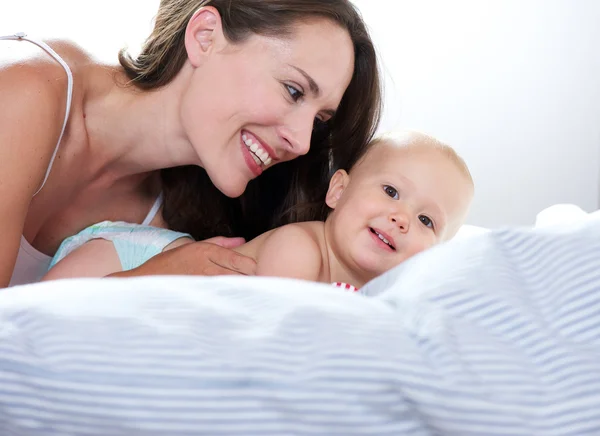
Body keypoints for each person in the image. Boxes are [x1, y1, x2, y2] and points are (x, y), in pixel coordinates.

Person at [0, 0, 381, 288]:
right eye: (293, 90)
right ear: (205, 37)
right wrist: (142, 282)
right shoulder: (24, 93)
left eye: (317, 123)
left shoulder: (170, 226)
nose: (299, 143)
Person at [43, 131, 474, 289]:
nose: (401, 218)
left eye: (426, 220)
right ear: (338, 191)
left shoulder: (381, 296)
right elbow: (272, 334)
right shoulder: (301, 250)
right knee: (41, 317)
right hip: (135, 255)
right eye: (391, 192)